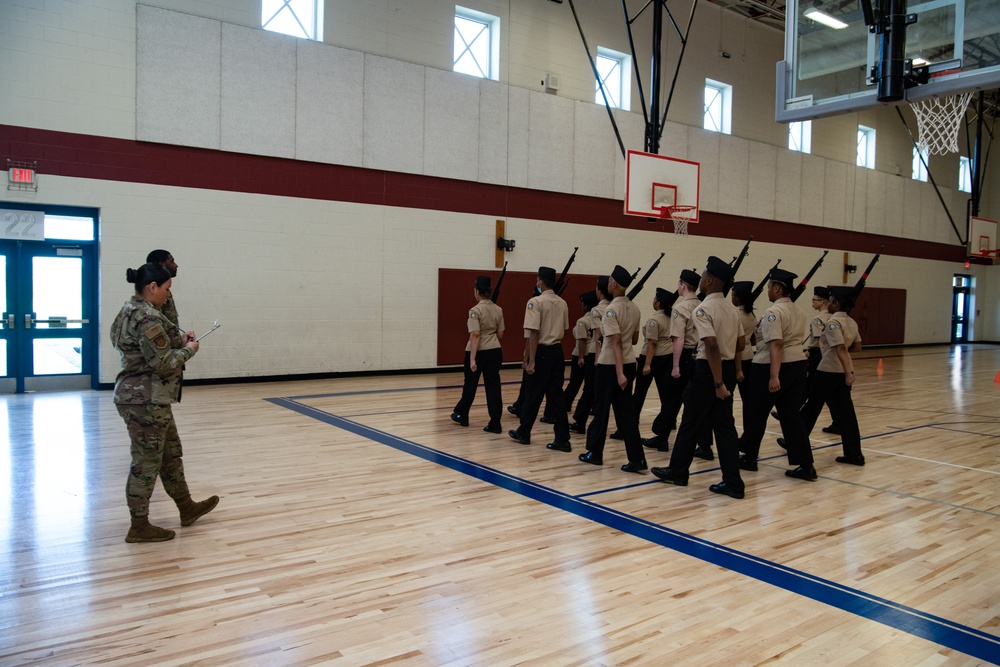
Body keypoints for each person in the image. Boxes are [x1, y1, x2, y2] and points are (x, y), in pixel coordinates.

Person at [112, 262, 218, 543]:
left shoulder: (128, 309)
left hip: (148, 398)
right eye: (167, 289)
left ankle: (186, 507)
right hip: (144, 400)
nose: (168, 295)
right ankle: (139, 526)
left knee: (170, 454)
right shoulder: (147, 317)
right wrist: (188, 350)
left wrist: (177, 342)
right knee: (145, 463)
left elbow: (125, 344)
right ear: (153, 287)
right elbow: (164, 362)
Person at [650, 256, 746, 498]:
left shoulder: (704, 309)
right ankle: (733, 482)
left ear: (711, 280)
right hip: (724, 367)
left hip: (709, 373)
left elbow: (711, 345)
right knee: (725, 428)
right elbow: (742, 342)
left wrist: (717, 382)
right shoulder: (732, 310)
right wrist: (727, 374)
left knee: (691, 421)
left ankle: (678, 471)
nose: (701, 280)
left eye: (703, 276)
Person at [737, 268, 815, 480]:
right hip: (798, 366)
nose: (768, 290)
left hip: (772, 367)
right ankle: (806, 464)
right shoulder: (799, 312)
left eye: (770, 287)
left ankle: (750, 457)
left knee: (757, 413)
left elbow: (776, 344)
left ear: (778, 288)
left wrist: (774, 376)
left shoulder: (774, 312)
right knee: (792, 417)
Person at [579, 265, 647, 472]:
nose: (607, 283)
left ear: (614, 284)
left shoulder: (611, 310)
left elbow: (615, 341)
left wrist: (618, 373)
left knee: (601, 410)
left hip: (611, 366)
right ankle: (637, 459)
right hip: (628, 361)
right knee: (626, 414)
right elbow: (633, 339)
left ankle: (595, 452)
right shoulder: (635, 308)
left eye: (609, 280)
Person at [795, 286, 865, 465]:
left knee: (811, 408)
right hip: (842, 370)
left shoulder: (833, 323)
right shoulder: (851, 322)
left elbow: (839, 348)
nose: (829, 304)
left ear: (836, 303)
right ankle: (854, 453)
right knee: (847, 414)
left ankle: (794, 444)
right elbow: (856, 347)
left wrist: (848, 373)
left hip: (828, 370)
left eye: (831, 301)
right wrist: (847, 370)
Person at [508, 267, 570, 449]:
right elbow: (565, 330)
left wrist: (531, 359)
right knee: (557, 397)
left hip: (541, 352)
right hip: (557, 351)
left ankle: (524, 432)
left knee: (532, 394)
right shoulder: (563, 303)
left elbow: (533, 333)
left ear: (540, 282)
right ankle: (562, 439)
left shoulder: (535, 302)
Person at [451, 275, 505, 433]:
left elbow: (475, 334)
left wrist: (473, 358)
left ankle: (462, 414)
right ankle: (495, 423)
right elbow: (501, 334)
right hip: (495, 350)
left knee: (470, 385)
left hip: (478, 351)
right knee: (493, 388)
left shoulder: (475, 311)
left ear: (476, 292)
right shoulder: (498, 309)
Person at [637, 287, 678, 451]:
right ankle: (669, 423)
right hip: (668, 357)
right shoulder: (672, 317)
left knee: (640, 392)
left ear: (658, 303)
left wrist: (647, 364)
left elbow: (652, 343)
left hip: (653, 358)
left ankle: (630, 423)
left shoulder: (654, 320)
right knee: (665, 393)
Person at [566, 291, 600, 434]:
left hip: (584, 354)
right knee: (590, 385)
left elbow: (581, 340)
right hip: (594, 354)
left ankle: (567, 404)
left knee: (576, 382)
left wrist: (580, 357)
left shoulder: (583, 321)